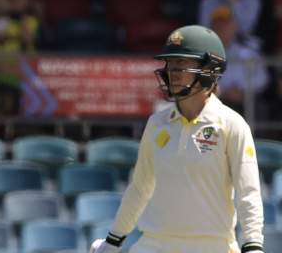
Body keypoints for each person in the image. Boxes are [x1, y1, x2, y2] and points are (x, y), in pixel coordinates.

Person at [89, 25, 264, 253]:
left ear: (210, 69)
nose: (173, 72)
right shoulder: (156, 124)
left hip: (211, 246)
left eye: (182, 64)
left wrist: (253, 246)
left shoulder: (232, 125)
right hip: (154, 244)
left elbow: (248, 192)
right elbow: (140, 187)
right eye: (170, 64)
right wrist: (113, 241)